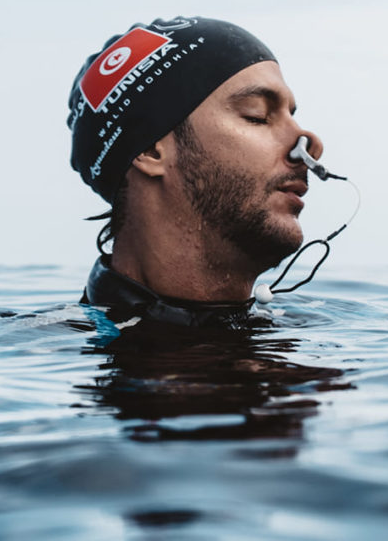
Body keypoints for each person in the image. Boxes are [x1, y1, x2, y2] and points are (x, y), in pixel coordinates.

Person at [67, 16, 324, 328]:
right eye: (257, 115)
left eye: (292, 117)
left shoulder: (313, 330)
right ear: (150, 150)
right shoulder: (41, 351)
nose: (308, 145)